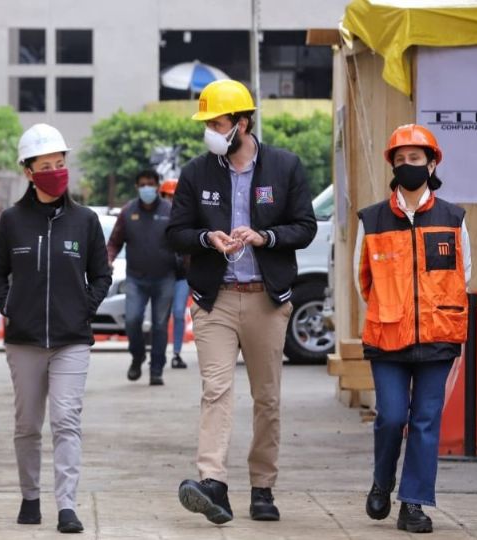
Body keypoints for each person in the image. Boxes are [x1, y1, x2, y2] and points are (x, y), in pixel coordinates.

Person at [166, 80, 316, 524]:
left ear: (242, 123)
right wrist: (206, 239)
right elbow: (174, 232)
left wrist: (265, 236)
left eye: (217, 122)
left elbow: (304, 226)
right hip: (216, 300)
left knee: (267, 398)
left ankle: (263, 486)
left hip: (267, 301)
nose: (211, 130)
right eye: (208, 123)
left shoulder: (285, 167)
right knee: (216, 389)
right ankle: (213, 483)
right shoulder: (196, 172)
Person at [0, 123, 112, 534]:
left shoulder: (86, 221)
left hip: (71, 340)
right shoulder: (12, 221)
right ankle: (29, 497)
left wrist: (83, 311)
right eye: (46, 165)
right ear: (28, 171)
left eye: (61, 163)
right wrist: (10, 308)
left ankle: (67, 506)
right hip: (24, 341)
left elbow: (101, 276)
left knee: (66, 420)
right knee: (27, 425)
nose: (57, 171)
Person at [355, 124, 471, 534]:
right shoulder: (371, 219)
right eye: (400, 160)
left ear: (431, 163)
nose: (407, 166)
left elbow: (464, 272)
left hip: (439, 337)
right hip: (388, 337)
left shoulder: (453, 218)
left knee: (425, 420)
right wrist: (394, 310)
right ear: (392, 165)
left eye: (415, 159)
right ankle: (382, 481)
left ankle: (414, 504)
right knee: (390, 416)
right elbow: (361, 279)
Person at [106, 169, 182, 385]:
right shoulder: (128, 212)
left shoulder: (170, 211)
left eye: (151, 184)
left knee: (159, 324)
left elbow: (182, 240)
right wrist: (109, 258)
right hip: (136, 279)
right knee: (132, 320)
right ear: (137, 187)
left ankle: (156, 369)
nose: (147, 188)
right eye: (142, 184)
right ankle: (137, 357)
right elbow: (114, 242)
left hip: (164, 277)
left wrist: (186, 264)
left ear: (157, 186)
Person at [160, 178, 190, 369]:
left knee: (179, 313)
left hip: (182, 275)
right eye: (167, 196)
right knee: (160, 317)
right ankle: (158, 353)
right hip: (161, 274)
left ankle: (176, 353)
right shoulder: (155, 219)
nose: (171, 201)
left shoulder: (188, 217)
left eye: (174, 196)